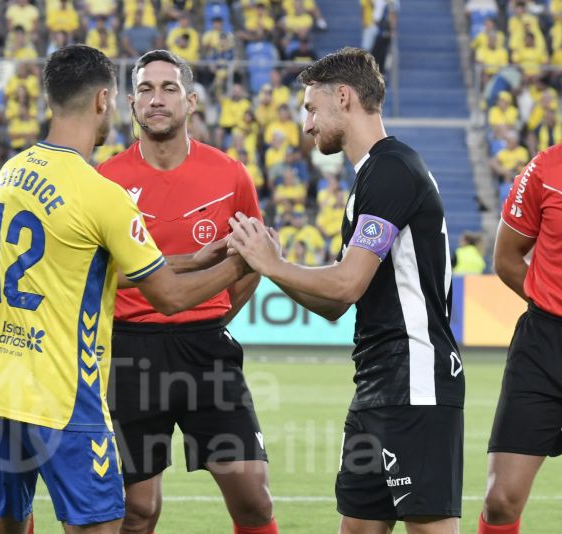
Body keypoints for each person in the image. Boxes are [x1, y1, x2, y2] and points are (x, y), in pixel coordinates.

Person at [0, 44, 251, 534]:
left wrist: (189, 259)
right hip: (63, 395)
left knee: (1, 527)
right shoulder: (103, 192)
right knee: (101, 524)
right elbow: (169, 298)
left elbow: (76, 260)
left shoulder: (10, 172)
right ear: (103, 100)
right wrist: (244, 263)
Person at [228, 47, 464, 534]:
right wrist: (271, 267)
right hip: (376, 386)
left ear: (343, 96)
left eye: (312, 109)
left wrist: (273, 262)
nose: (307, 124)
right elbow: (337, 303)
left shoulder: (392, 169)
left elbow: (347, 281)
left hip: (416, 383)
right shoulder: (372, 178)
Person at [97, 49, 278, 534]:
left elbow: (251, 261)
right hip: (128, 353)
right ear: (131, 104)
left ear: (191, 101)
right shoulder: (105, 181)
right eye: (146, 90)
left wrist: (215, 317)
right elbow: (100, 274)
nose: (158, 100)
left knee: (254, 500)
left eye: (169, 88)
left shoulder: (230, 175)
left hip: (206, 352)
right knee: (137, 511)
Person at [477, 145, 562, 533]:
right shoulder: (545, 168)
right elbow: (507, 259)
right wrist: (547, 300)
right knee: (501, 500)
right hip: (543, 344)